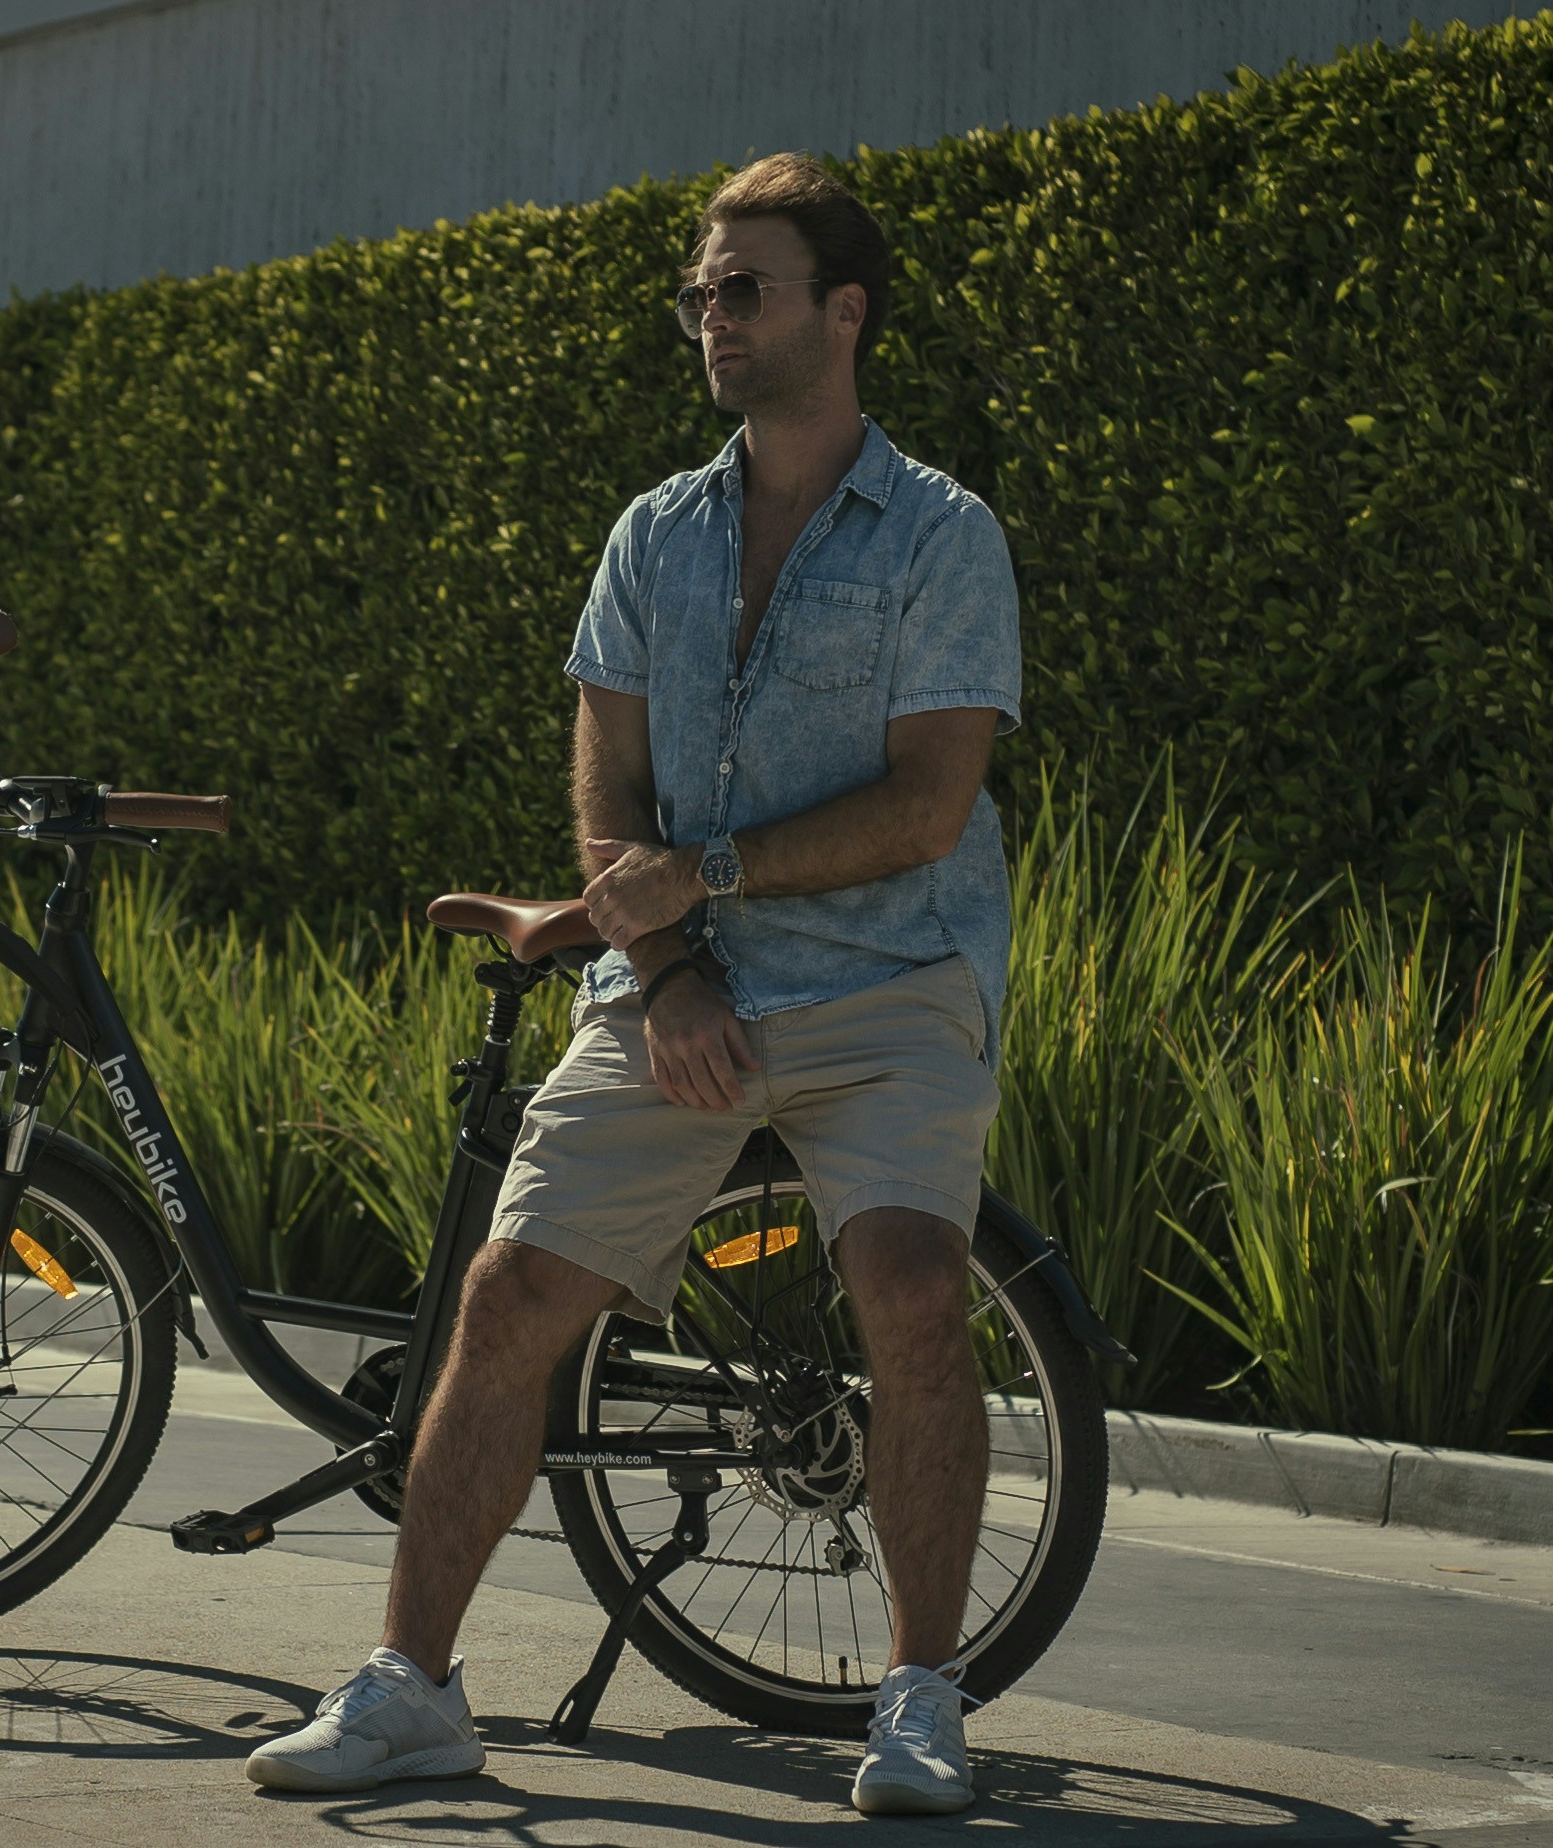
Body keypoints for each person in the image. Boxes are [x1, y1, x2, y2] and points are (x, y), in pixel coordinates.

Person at [247, 151, 1020, 1818]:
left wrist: (709, 877)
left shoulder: (944, 534)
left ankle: (920, 1701)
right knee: (508, 1292)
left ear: (845, 312)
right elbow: (609, 794)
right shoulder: (653, 535)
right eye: (698, 293)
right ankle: (413, 1690)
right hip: (684, 991)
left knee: (910, 1287)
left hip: (893, 985)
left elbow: (928, 806)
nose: (711, 318)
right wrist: (665, 969)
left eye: (744, 289)